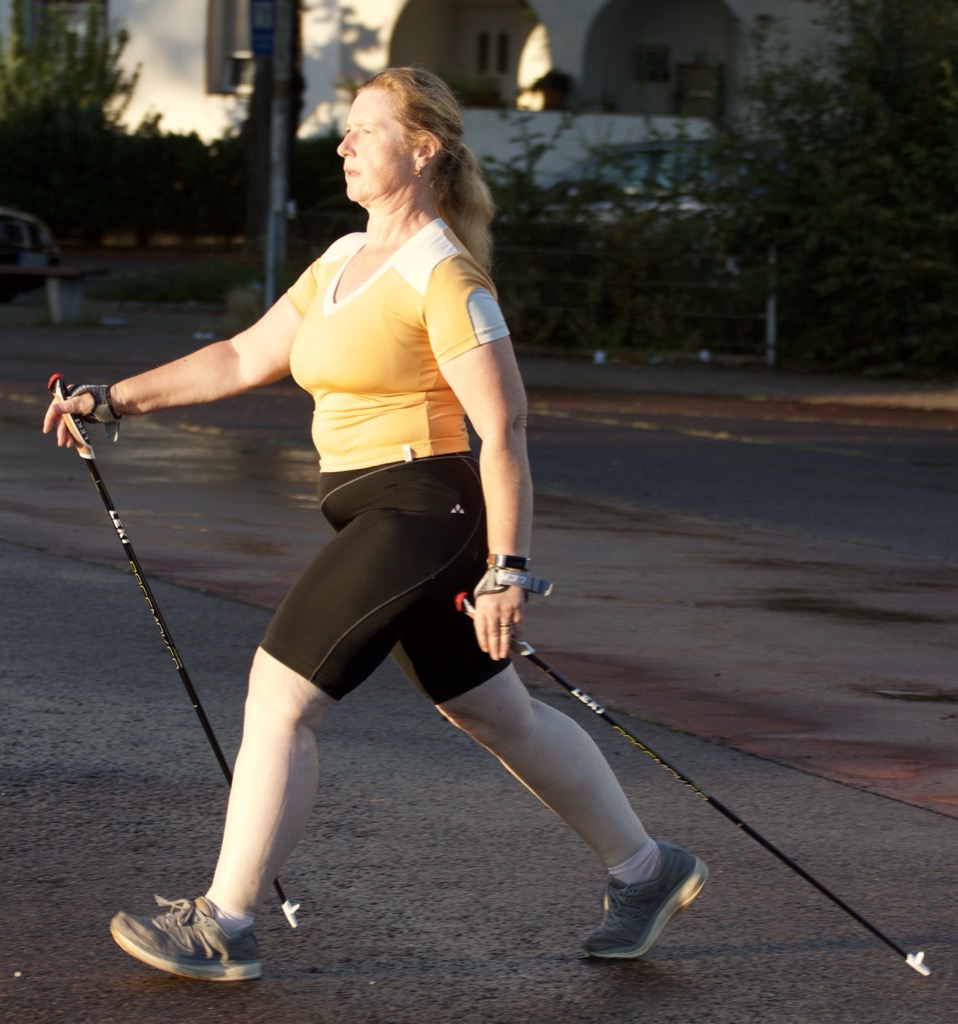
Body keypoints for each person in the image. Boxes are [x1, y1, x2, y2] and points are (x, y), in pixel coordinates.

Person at [43, 66, 707, 982]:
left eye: (366, 129)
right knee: (492, 709)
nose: (345, 144)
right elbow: (241, 355)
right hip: (385, 510)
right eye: (347, 129)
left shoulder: (445, 273)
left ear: (422, 149)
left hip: (423, 507)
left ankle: (225, 922)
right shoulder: (343, 258)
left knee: (281, 696)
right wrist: (113, 399)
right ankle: (646, 869)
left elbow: (504, 427)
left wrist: (509, 568)